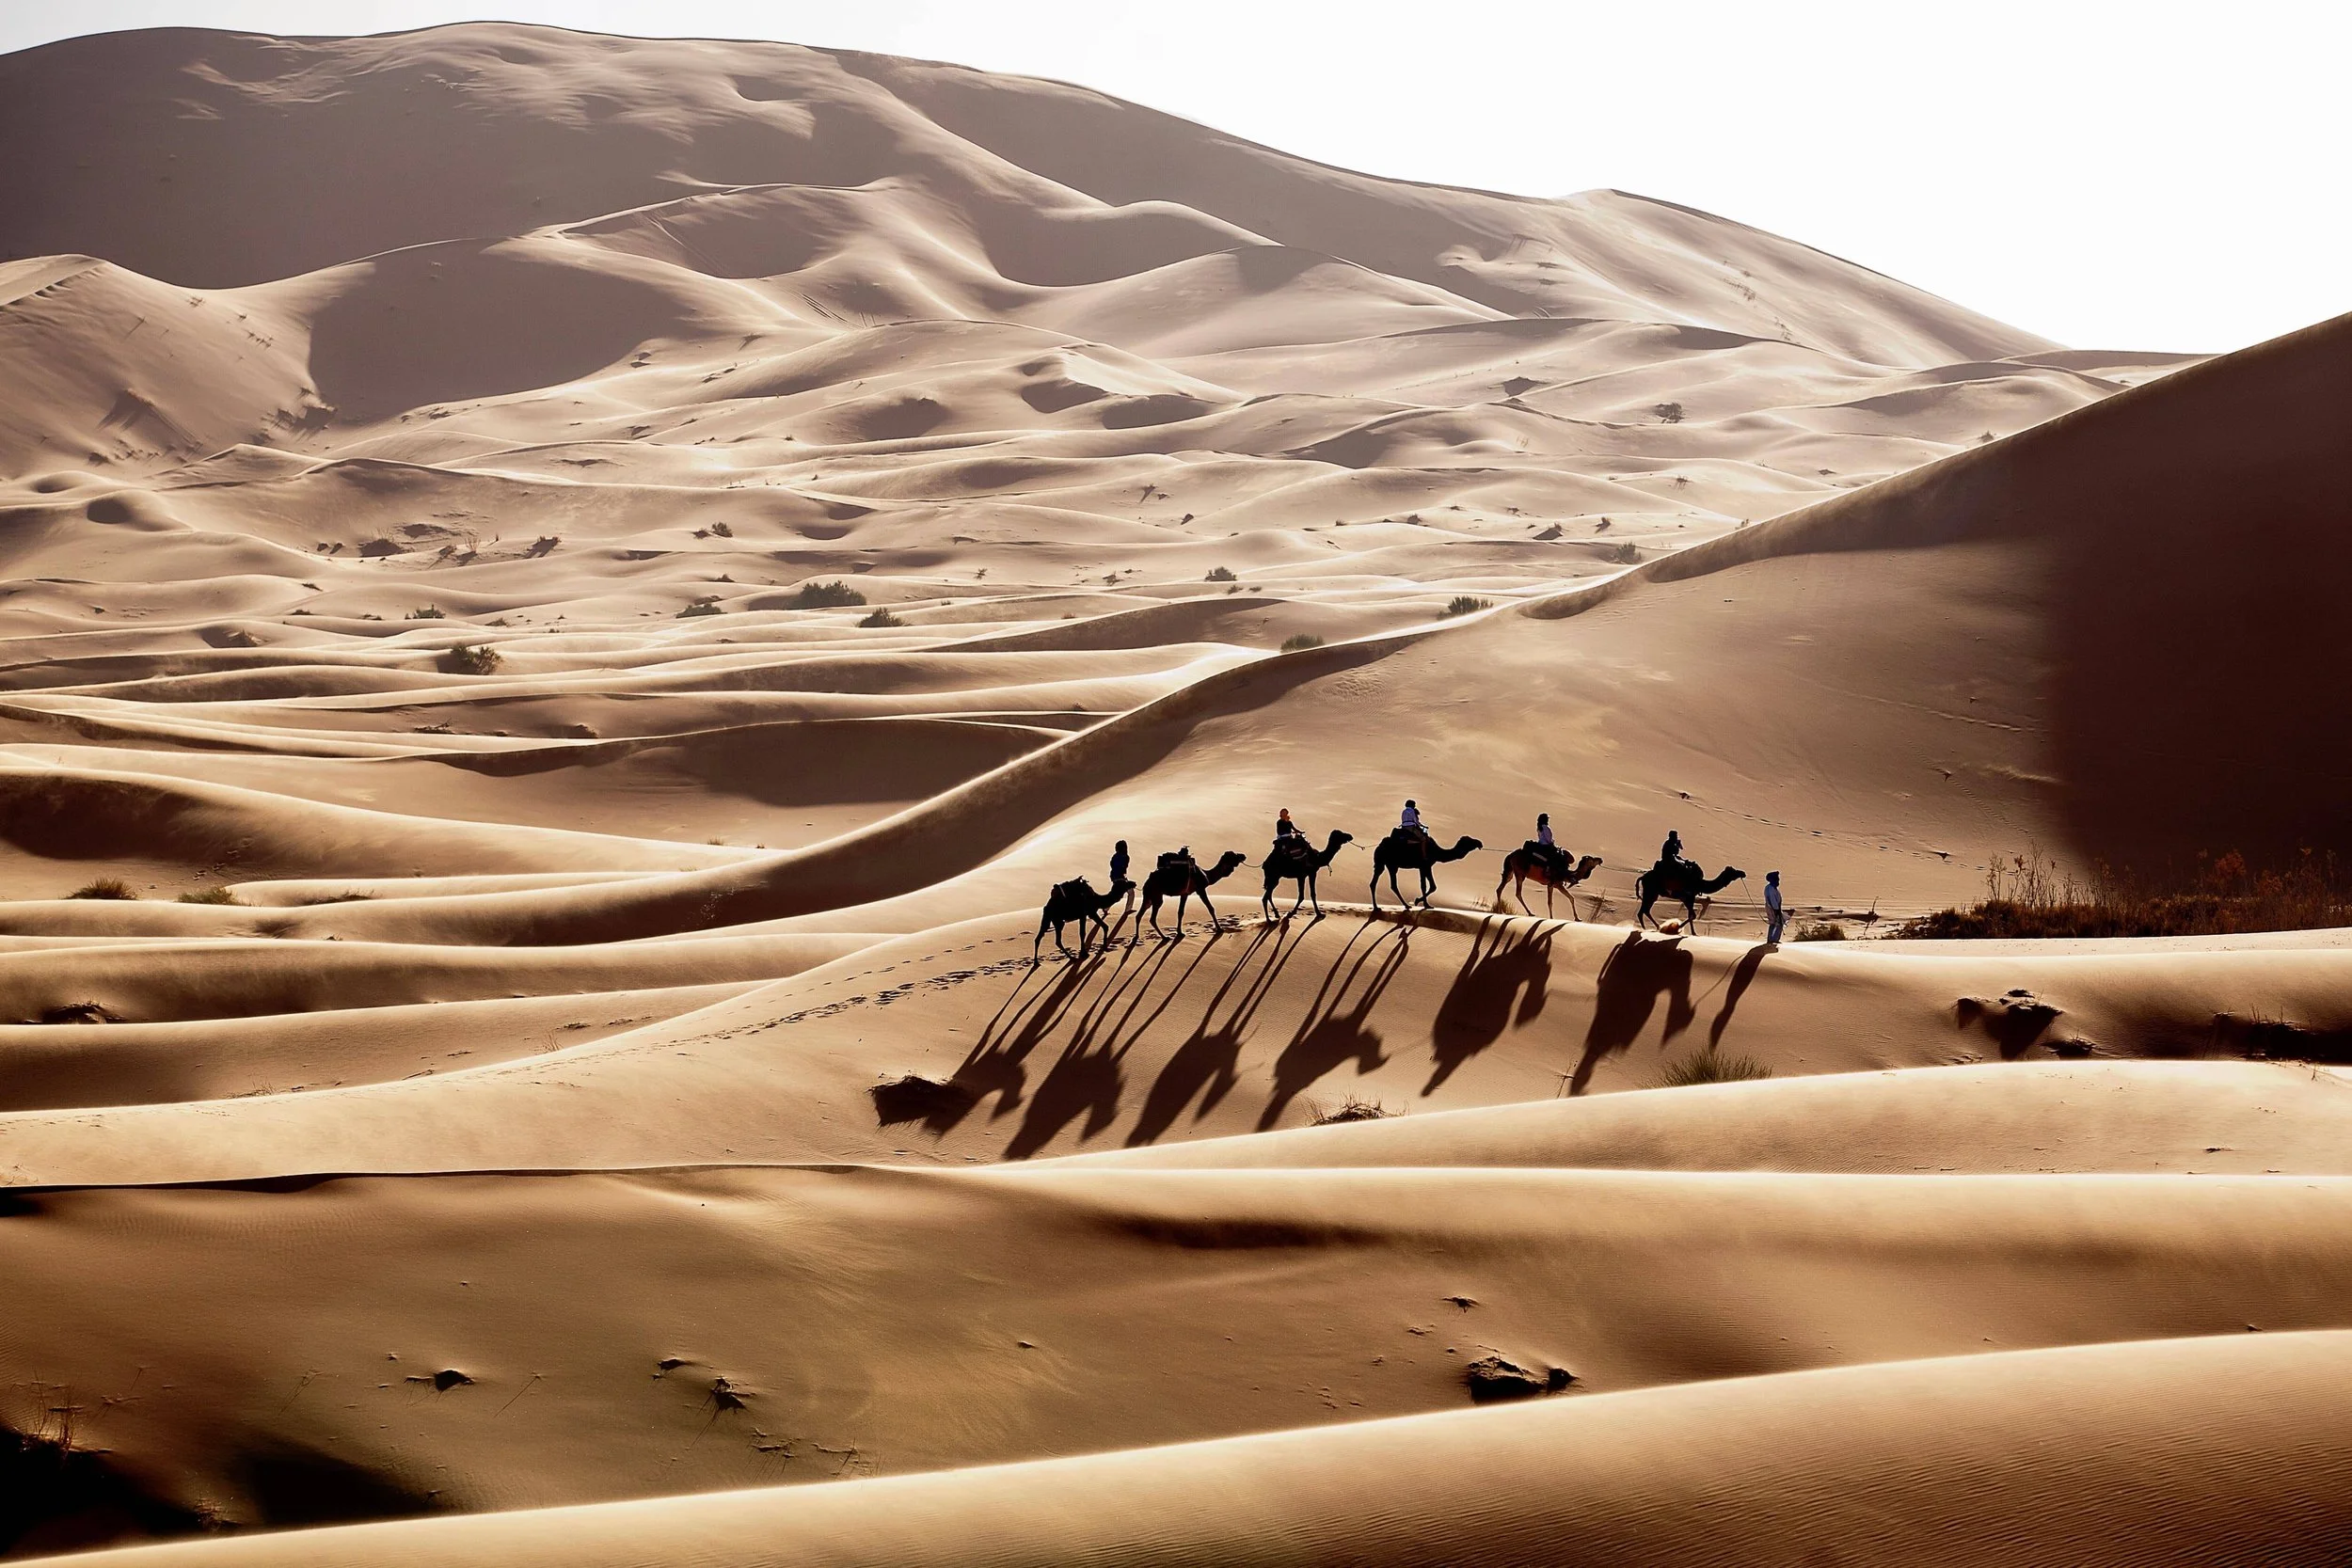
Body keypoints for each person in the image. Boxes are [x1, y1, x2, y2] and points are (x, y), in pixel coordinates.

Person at [1764, 870, 1785, 944]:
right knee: (1775, 923)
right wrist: (1776, 910)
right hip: (1772, 908)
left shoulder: (1772, 888)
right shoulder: (1770, 888)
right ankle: (1772, 940)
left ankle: (1772, 939)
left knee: (1777, 923)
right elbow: (1772, 900)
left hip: (1774, 908)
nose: (1778, 880)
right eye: (1777, 878)